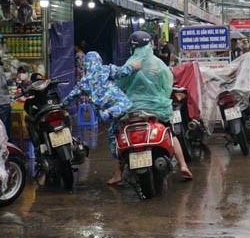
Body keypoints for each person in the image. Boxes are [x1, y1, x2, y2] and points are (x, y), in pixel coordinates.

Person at [117, 31, 192, 180]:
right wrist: (161, 98)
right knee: (171, 133)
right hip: (157, 109)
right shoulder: (157, 63)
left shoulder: (131, 63)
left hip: (133, 109)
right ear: (150, 44)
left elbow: (120, 83)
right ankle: (183, 165)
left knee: (119, 133)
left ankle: (117, 174)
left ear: (132, 47)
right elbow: (168, 83)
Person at [63, 51, 140, 185]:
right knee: (127, 104)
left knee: (114, 141)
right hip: (116, 105)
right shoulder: (106, 69)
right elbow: (122, 71)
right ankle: (110, 112)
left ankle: (118, 175)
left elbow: (71, 96)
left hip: (103, 113)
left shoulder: (84, 82)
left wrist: (62, 104)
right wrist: (135, 67)